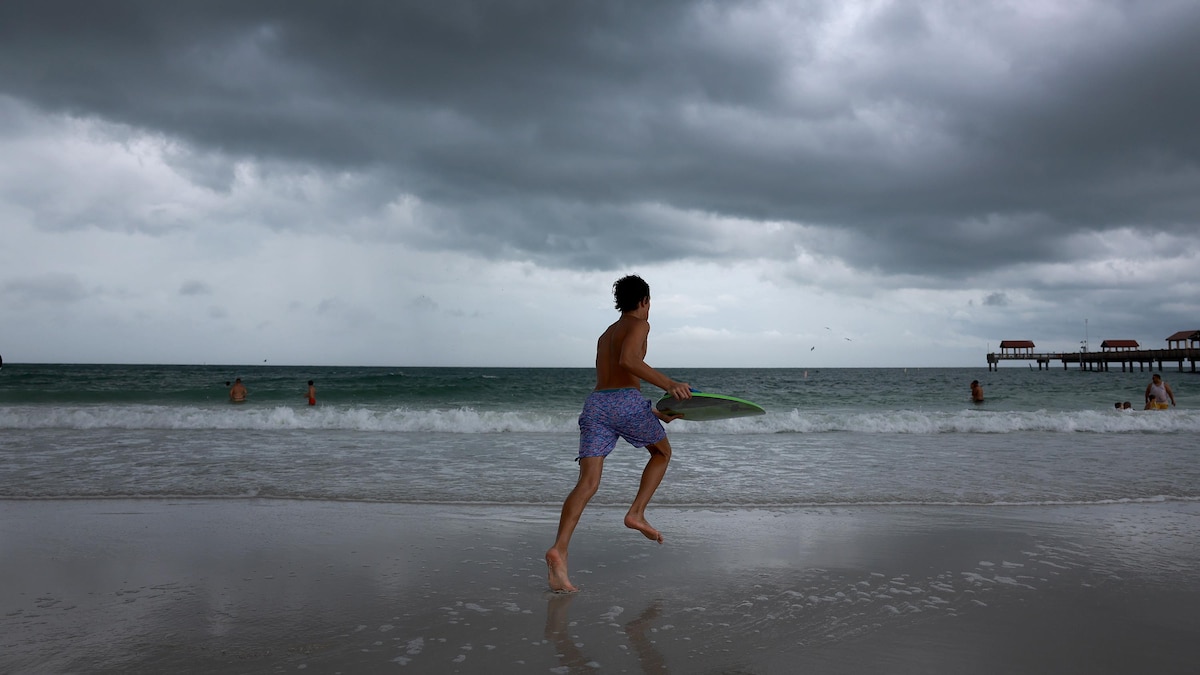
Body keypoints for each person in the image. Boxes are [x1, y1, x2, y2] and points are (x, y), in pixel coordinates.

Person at [545, 275, 692, 593]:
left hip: (596, 405)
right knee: (662, 453)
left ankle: (559, 549)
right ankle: (636, 513)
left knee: (587, 484)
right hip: (624, 402)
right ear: (643, 302)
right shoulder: (639, 323)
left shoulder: (606, 334)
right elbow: (629, 363)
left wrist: (653, 413)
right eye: (649, 303)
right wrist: (669, 384)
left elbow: (615, 385)